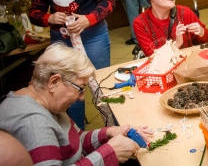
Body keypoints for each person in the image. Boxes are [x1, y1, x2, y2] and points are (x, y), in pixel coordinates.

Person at [14, 0, 115, 130]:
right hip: (63, 42)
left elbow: (108, 1)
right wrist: (49, 18)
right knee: (68, 91)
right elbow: (35, 12)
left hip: (93, 37)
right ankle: (75, 138)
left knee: (102, 85)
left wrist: (88, 19)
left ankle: (115, 128)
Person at [0, 42, 153, 165]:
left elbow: (75, 142)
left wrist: (108, 133)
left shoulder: (42, 100)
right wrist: (109, 152)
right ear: (54, 82)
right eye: (80, 89)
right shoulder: (34, 124)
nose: (81, 98)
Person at [134, 0, 208, 56]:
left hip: (189, 62)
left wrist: (201, 32)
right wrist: (176, 44)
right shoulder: (140, 23)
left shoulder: (185, 12)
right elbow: (151, 55)